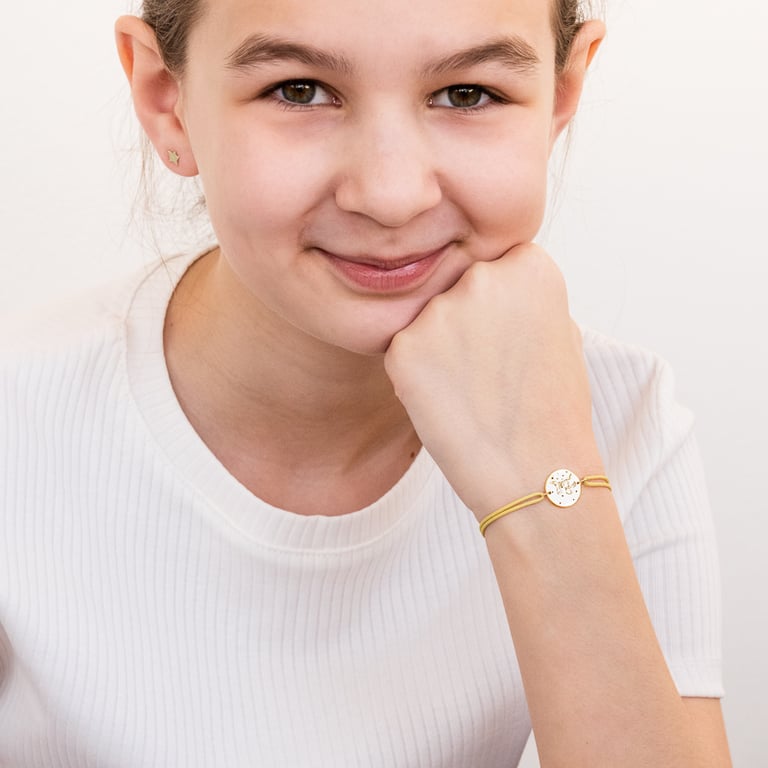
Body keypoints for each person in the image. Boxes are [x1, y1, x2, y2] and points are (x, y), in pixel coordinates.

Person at [0, 0, 731, 765]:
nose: (391, 195)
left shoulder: (623, 420)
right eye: (300, 90)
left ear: (561, 95)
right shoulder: (19, 418)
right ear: (165, 98)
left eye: (468, 94)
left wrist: (543, 485)